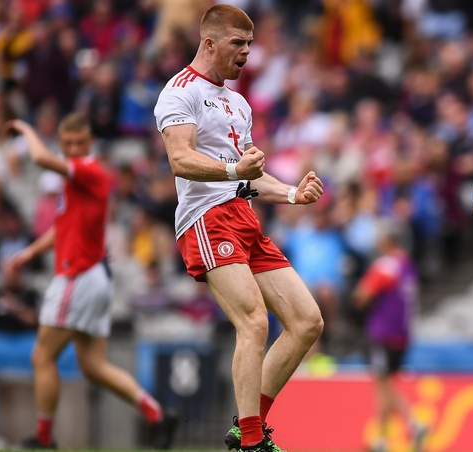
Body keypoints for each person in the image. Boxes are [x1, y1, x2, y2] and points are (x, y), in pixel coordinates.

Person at [152, 5, 325, 452]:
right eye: (238, 43)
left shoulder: (239, 103)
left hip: (243, 218)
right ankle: (251, 442)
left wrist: (290, 194)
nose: (247, 52)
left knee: (307, 322)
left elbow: (249, 175)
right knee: (252, 320)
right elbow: (181, 160)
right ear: (209, 42)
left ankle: (245, 427)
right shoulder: (179, 92)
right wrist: (235, 170)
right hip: (206, 219)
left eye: (250, 44)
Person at [6, 113, 177, 450]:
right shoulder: (77, 181)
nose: (71, 149)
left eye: (77, 143)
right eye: (66, 144)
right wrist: (30, 252)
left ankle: (44, 439)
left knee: (42, 357)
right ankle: (156, 413)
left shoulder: (89, 171)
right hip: (95, 275)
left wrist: (25, 127)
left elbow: (40, 157)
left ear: (89, 144)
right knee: (93, 365)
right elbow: (62, 228)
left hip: (78, 275)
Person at [352, 223, 427, 452]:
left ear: (387, 240)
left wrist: (363, 306)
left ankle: (413, 423)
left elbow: (361, 295)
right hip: (402, 334)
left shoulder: (386, 265)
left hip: (383, 333)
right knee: (385, 382)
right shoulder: (408, 266)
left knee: (383, 384)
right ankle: (385, 438)